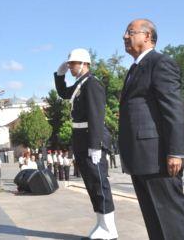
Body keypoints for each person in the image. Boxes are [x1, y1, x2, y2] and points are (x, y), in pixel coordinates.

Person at [119, 19, 184, 239]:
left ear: (147, 36)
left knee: (173, 221)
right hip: (141, 159)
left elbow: (174, 109)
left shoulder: (160, 63)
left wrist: (176, 152)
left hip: (159, 158)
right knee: (154, 220)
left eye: (130, 32)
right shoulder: (135, 68)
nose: (125, 36)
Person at [55, 48, 118, 239]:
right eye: (70, 63)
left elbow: (96, 116)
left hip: (91, 138)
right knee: (91, 183)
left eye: (73, 63)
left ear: (84, 63)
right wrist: (59, 76)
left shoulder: (92, 84)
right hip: (81, 138)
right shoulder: (80, 83)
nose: (70, 66)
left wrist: (96, 145)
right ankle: (101, 223)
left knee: (99, 183)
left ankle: (109, 228)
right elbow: (64, 93)